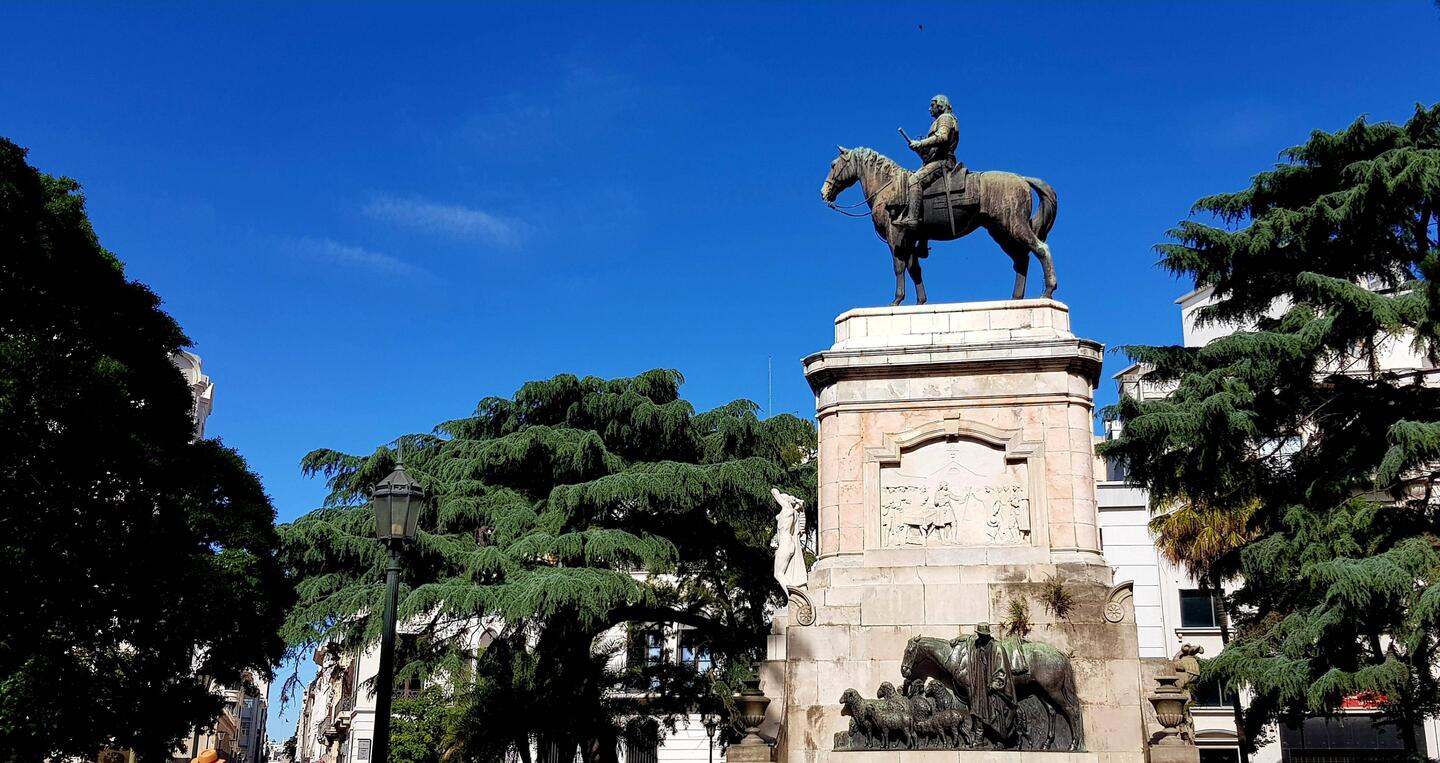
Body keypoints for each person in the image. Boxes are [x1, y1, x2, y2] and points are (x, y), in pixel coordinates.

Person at [896, 95, 960, 230]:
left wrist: (920, 143)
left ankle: (912, 219)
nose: (930, 108)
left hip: (942, 161)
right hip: (936, 160)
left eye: (933, 105)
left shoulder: (945, 118)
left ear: (941, 105)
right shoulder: (941, 119)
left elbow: (942, 137)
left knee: (914, 180)